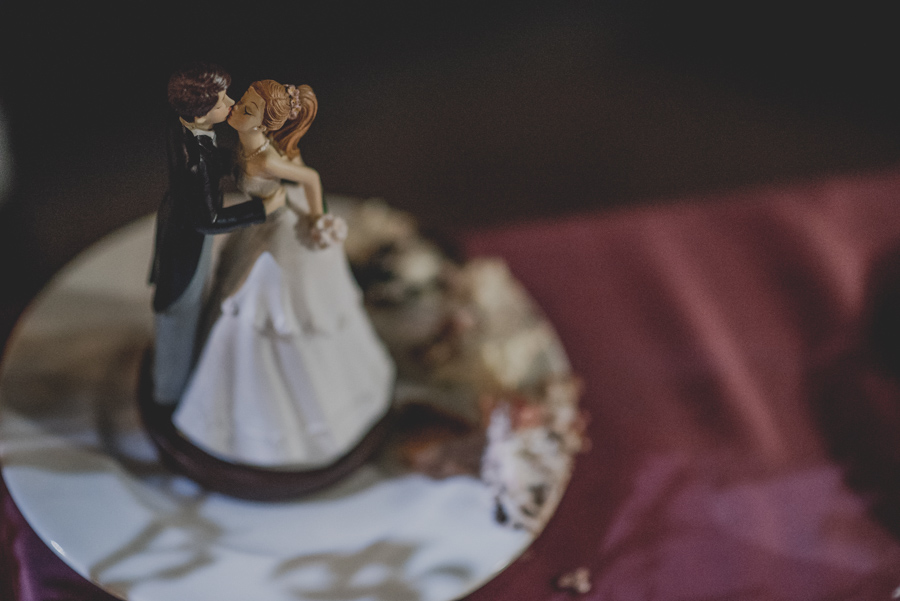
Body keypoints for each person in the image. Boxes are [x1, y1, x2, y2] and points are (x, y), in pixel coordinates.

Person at [171, 80, 395, 468]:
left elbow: (311, 179)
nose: (236, 108)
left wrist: (318, 218)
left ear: (264, 122)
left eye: (247, 109)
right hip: (259, 229)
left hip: (277, 234)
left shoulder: (265, 159)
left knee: (274, 317)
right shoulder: (248, 147)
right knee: (237, 303)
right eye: (242, 102)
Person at [149, 63, 279, 406]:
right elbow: (208, 220)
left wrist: (236, 163)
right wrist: (261, 210)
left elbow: (207, 158)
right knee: (181, 310)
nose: (231, 103)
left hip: (178, 221)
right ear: (201, 111)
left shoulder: (182, 127)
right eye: (223, 101)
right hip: (187, 241)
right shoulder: (195, 164)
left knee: (186, 306)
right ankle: (171, 392)